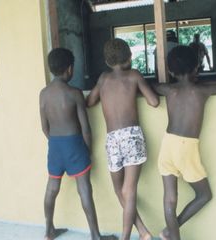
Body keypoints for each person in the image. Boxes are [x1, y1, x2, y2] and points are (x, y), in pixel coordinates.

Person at [153, 46, 216, 240]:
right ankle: (170, 231)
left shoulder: (169, 90)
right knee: (204, 195)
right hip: (186, 148)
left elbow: (151, 87)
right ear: (196, 67)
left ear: (170, 71)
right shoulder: (202, 90)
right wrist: (205, 81)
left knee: (169, 199)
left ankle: (170, 234)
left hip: (167, 144)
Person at [39, 48, 117, 240]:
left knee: (51, 188)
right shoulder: (74, 93)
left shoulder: (44, 93)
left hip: (55, 145)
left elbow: (44, 127)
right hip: (74, 144)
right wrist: (87, 150)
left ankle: (48, 230)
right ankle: (95, 236)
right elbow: (86, 128)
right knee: (84, 189)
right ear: (69, 69)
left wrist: (55, 142)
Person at [87, 38, 159, 240]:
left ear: (108, 61)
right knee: (129, 190)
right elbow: (153, 102)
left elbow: (90, 101)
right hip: (132, 136)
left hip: (113, 139)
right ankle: (141, 232)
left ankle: (133, 235)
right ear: (129, 56)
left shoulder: (103, 79)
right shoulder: (134, 75)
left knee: (121, 190)